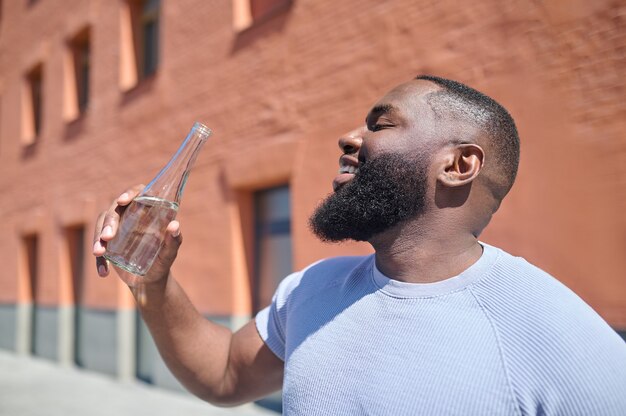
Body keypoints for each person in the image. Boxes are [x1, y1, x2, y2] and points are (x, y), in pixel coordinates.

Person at [93, 75, 626, 415]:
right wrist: (152, 285)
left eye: (381, 123)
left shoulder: (554, 332)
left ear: (459, 165)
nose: (349, 138)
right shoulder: (311, 290)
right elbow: (225, 375)